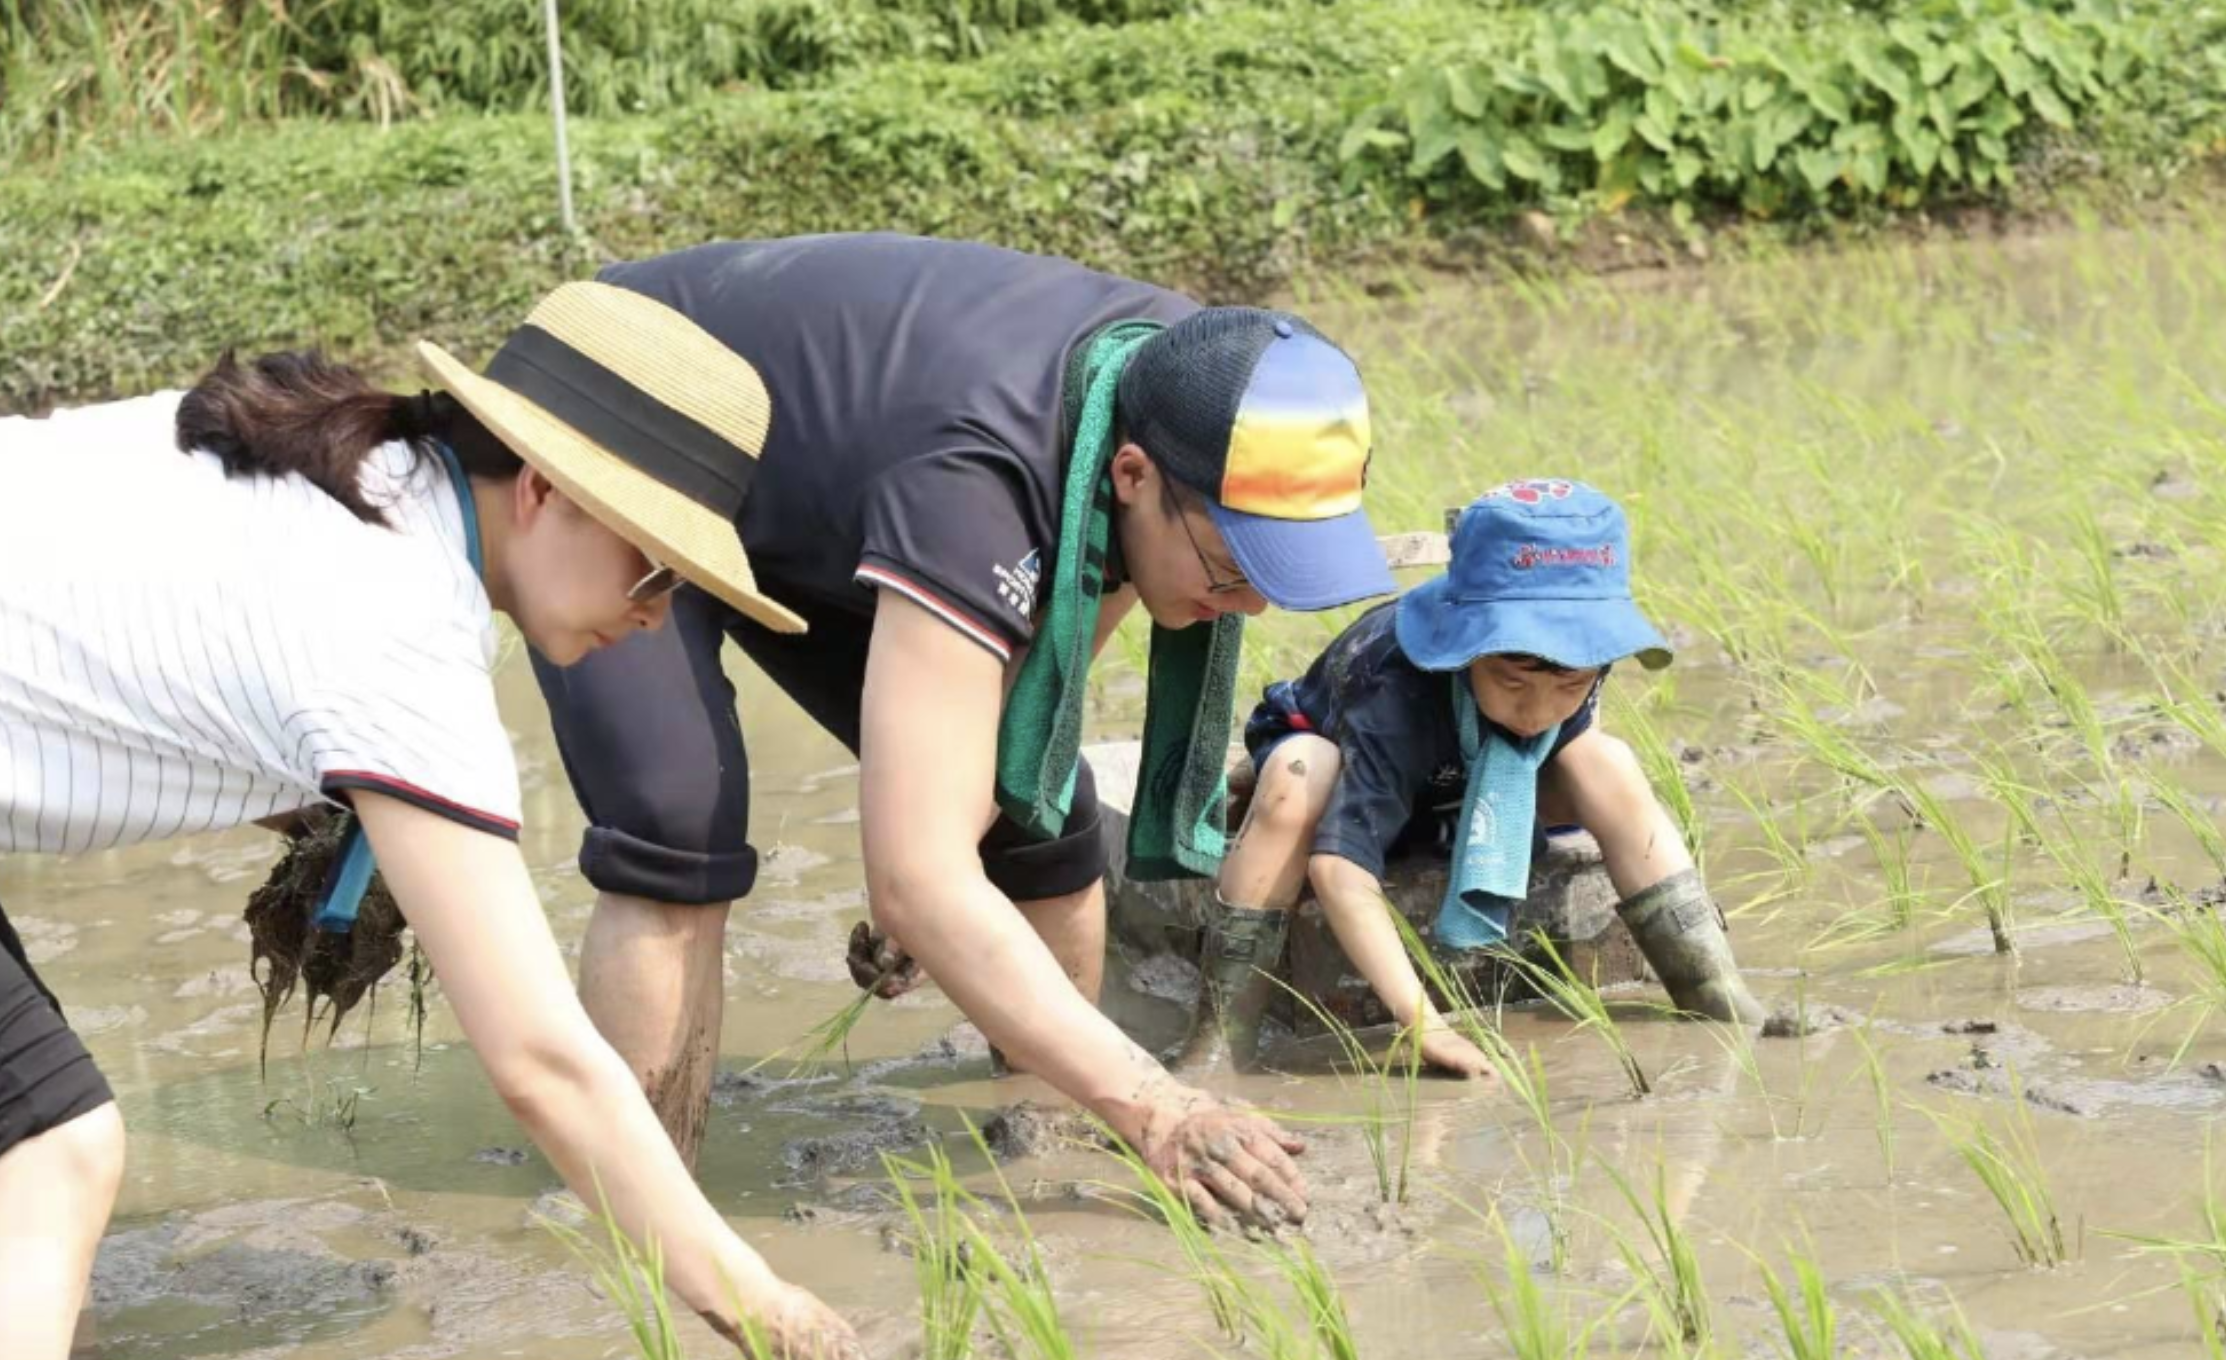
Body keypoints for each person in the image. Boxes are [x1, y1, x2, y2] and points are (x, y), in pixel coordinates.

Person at [0, 283, 861, 1359]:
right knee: (44, 1158)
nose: (659, 612)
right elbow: (545, 1062)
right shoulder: (398, 628)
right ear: (543, 489)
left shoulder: (355, 477)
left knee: (4, 1166)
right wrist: (773, 1311)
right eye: (658, 566)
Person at [528, 232, 1399, 1228]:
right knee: (676, 819)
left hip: (826, 471)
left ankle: (1046, 1149)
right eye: (1233, 569)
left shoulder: (1195, 381)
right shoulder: (980, 482)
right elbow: (920, 873)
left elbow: (1034, 693)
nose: (1244, 607)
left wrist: (938, 865)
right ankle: (637, 1213)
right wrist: (1158, 1100)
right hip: (627, 412)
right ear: (1131, 476)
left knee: (1041, 812)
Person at [1179, 478, 1767, 1075]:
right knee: (1299, 774)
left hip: (1464, 786)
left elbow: (1569, 730)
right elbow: (1338, 870)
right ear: (1463, 649)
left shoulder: (1583, 667)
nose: (1537, 711)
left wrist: (1556, 707)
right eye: (1512, 682)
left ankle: (1715, 993)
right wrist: (1426, 1028)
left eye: (1569, 686)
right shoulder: (1394, 689)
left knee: (1606, 760)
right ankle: (1221, 1042)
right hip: (1354, 780)